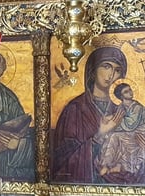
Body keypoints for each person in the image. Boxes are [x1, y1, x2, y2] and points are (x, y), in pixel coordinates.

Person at [51, 46, 127, 183]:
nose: (111, 75)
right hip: (81, 183)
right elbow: (62, 158)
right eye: (106, 66)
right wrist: (99, 136)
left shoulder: (123, 109)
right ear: (93, 71)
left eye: (117, 70)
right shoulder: (75, 109)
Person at [97, 81, 145, 184]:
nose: (130, 92)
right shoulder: (121, 107)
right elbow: (118, 118)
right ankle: (106, 164)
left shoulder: (136, 107)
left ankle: (120, 166)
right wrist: (110, 120)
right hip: (134, 133)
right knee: (114, 136)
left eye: (129, 90)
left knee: (116, 136)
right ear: (121, 96)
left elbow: (129, 125)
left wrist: (111, 124)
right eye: (126, 92)